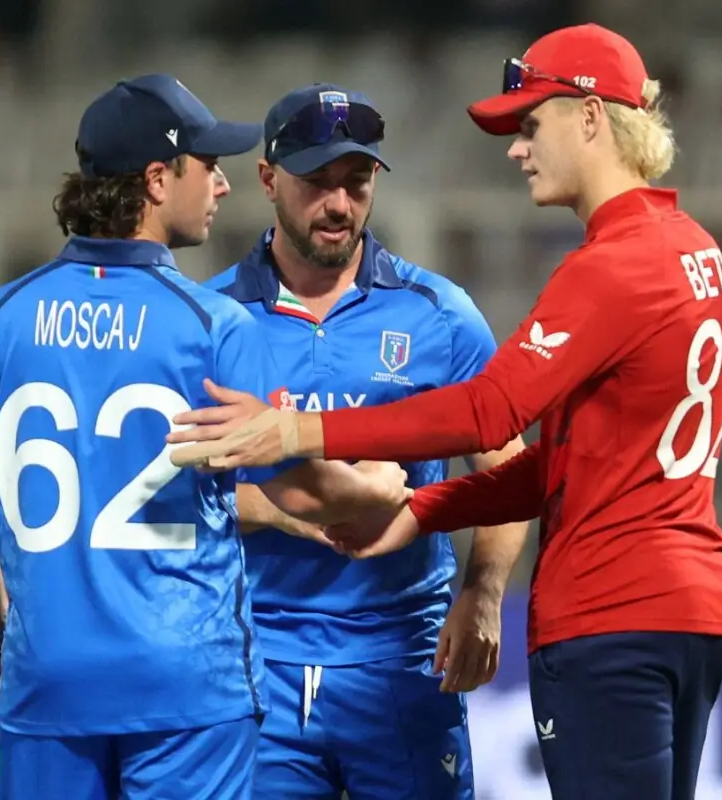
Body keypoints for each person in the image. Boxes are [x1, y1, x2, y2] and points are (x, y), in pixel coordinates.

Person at [168, 24, 722, 800]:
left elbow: (491, 414)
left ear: (589, 117)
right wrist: (418, 508)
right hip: (683, 601)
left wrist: (300, 433)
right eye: (316, 179)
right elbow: (566, 461)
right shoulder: (695, 251)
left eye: (529, 124)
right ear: (270, 180)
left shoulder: (578, 275)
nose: (516, 148)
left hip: (579, 616)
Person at [0, 74, 409, 800]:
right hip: (186, 686)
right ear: (157, 179)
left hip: (48, 679)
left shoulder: (4, 315)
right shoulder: (214, 326)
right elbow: (301, 487)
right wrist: (379, 485)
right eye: (206, 166)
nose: (220, 185)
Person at [204, 83, 529, 799]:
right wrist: (294, 512)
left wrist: (483, 591)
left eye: (355, 183)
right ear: (267, 180)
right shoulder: (214, 319)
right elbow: (175, 494)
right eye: (317, 183)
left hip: (405, 662)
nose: (338, 205)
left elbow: (509, 471)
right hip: (259, 663)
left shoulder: (439, 317)